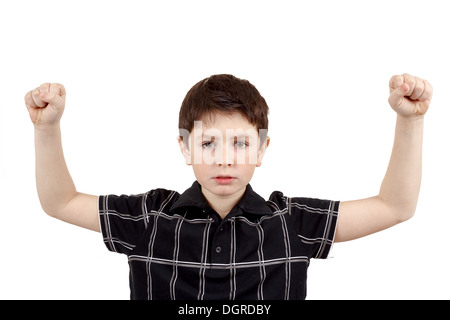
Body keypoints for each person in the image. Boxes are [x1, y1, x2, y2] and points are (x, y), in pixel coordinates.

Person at [24, 73, 432, 299]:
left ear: (261, 148)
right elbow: (60, 202)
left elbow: (395, 206)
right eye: (208, 143)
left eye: (240, 142)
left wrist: (410, 121)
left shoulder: (289, 222)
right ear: (184, 147)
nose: (225, 157)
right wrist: (48, 128)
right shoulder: (152, 217)